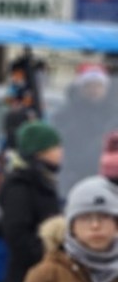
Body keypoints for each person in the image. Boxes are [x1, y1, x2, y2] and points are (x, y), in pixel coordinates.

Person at [0, 119, 63, 282]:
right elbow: (17, 234)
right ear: (40, 151)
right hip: (28, 280)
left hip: (46, 274)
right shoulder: (21, 185)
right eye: (55, 146)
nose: (60, 151)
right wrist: (45, 254)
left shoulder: (43, 180)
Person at [54, 62, 118, 199]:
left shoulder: (114, 114)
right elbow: (60, 142)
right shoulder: (66, 114)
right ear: (80, 88)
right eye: (89, 85)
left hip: (109, 177)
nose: (94, 90)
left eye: (98, 85)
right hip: (73, 176)